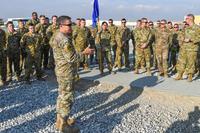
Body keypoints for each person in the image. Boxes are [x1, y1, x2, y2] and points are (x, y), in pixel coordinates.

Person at [49, 15, 94, 132]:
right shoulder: (64, 39)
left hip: (61, 70)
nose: (71, 27)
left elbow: (52, 44)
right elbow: (72, 58)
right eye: (68, 25)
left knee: (62, 95)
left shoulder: (56, 35)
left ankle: (60, 120)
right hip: (66, 72)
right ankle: (64, 126)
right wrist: (85, 52)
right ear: (61, 26)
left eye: (72, 24)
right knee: (67, 97)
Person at [175, 14, 200, 82]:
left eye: (186, 19)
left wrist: (190, 39)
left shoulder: (197, 28)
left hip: (192, 48)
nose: (185, 20)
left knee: (191, 62)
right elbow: (180, 36)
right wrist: (181, 40)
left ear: (190, 19)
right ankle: (180, 74)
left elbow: (199, 38)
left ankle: (190, 76)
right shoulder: (185, 28)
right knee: (181, 61)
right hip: (183, 48)